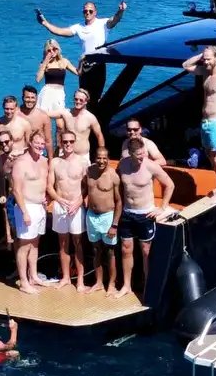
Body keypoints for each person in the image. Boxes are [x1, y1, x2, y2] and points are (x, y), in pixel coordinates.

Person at [115, 131, 169, 298]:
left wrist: (162, 207)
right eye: (138, 155)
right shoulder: (122, 165)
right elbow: (118, 187)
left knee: (146, 251)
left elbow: (170, 184)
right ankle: (126, 286)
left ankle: (148, 286)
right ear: (130, 154)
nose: (141, 158)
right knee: (125, 249)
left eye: (143, 154)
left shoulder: (150, 165)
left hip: (145, 214)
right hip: (127, 213)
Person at [180, 47, 216, 195]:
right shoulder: (205, 72)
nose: (206, 62)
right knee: (209, 153)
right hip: (205, 122)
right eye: (204, 59)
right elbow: (185, 65)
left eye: (209, 59)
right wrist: (202, 55)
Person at [9, 129, 52, 291]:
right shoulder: (21, 163)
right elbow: (16, 190)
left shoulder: (43, 161)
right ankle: (24, 281)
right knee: (24, 245)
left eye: (42, 144)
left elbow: (44, 183)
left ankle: (33, 276)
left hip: (40, 206)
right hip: (26, 207)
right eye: (37, 143)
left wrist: (47, 198)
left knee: (35, 244)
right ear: (30, 143)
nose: (40, 146)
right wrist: (24, 211)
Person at [48, 126, 91, 291]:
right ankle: (66, 277)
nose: (67, 144)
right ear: (61, 142)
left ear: (75, 143)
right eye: (65, 141)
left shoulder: (83, 162)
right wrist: (59, 200)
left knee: (78, 243)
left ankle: (80, 280)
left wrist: (78, 202)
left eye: (71, 141)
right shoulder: (55, 162)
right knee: (63, 243)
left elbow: (87, 187)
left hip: (76, 206)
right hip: (61, 205)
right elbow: (50, 186)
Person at [81, 147, 122, 290]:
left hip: (107, 217)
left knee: (110, 251)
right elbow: (84, 190)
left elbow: (119, 202)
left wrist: (114, 225)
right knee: (96, 250)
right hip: (91, 216)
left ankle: (111, 284)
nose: (101, 161)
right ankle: (98, 282)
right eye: (99, 158)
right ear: (94, 158)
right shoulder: (89, 171)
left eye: (104, 158)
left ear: (108, 159)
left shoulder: (113, 176)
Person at [37, 0, 128, 58]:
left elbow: (115, 20)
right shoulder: (78, 27)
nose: (88, 13)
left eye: (90, 11)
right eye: (85, 11)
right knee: (83, 89)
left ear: (95, 12)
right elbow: (60, 31)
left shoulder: (103, 23)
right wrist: (45, 23)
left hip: (99, 63)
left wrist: (120, 11)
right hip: (85, 63)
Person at [35, 40, 76, 128]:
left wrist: (83, 62)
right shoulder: (43, 63)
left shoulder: (64, 61)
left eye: (54, 49)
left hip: (59, 93)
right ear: (46, 51)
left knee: (60, 124)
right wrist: (45, 62)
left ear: (58, 49)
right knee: (43, 122)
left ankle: (60, 142)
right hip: (47, 93)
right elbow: (38, 79)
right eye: (49, 50)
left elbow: (78, 72)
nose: (52, 52)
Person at [61, 87, 107, 161]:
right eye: (76, 99)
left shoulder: (90, 117)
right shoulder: (66, 113)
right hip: (66, 154)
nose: (78, 102)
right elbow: (48, 114)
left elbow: (99, 135)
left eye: (81, 100)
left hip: (82, 156)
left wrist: (102, 153)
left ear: (86, 101)